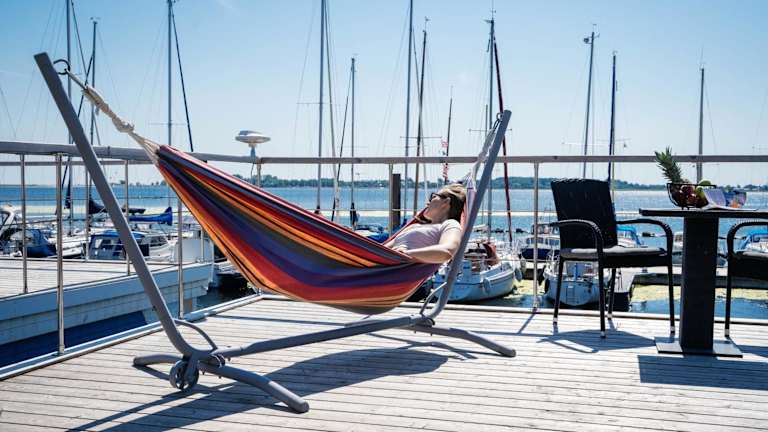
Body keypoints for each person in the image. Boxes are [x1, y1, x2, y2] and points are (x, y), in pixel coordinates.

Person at [384, 183, 466, 264]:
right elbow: (382, 250)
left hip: (400, 266)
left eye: (433, 197)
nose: (427, 203)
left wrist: (406, 254)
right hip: (385, 264)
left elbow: (447, 251)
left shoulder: (449, 224)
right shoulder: (414, 226)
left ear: (446, 201)